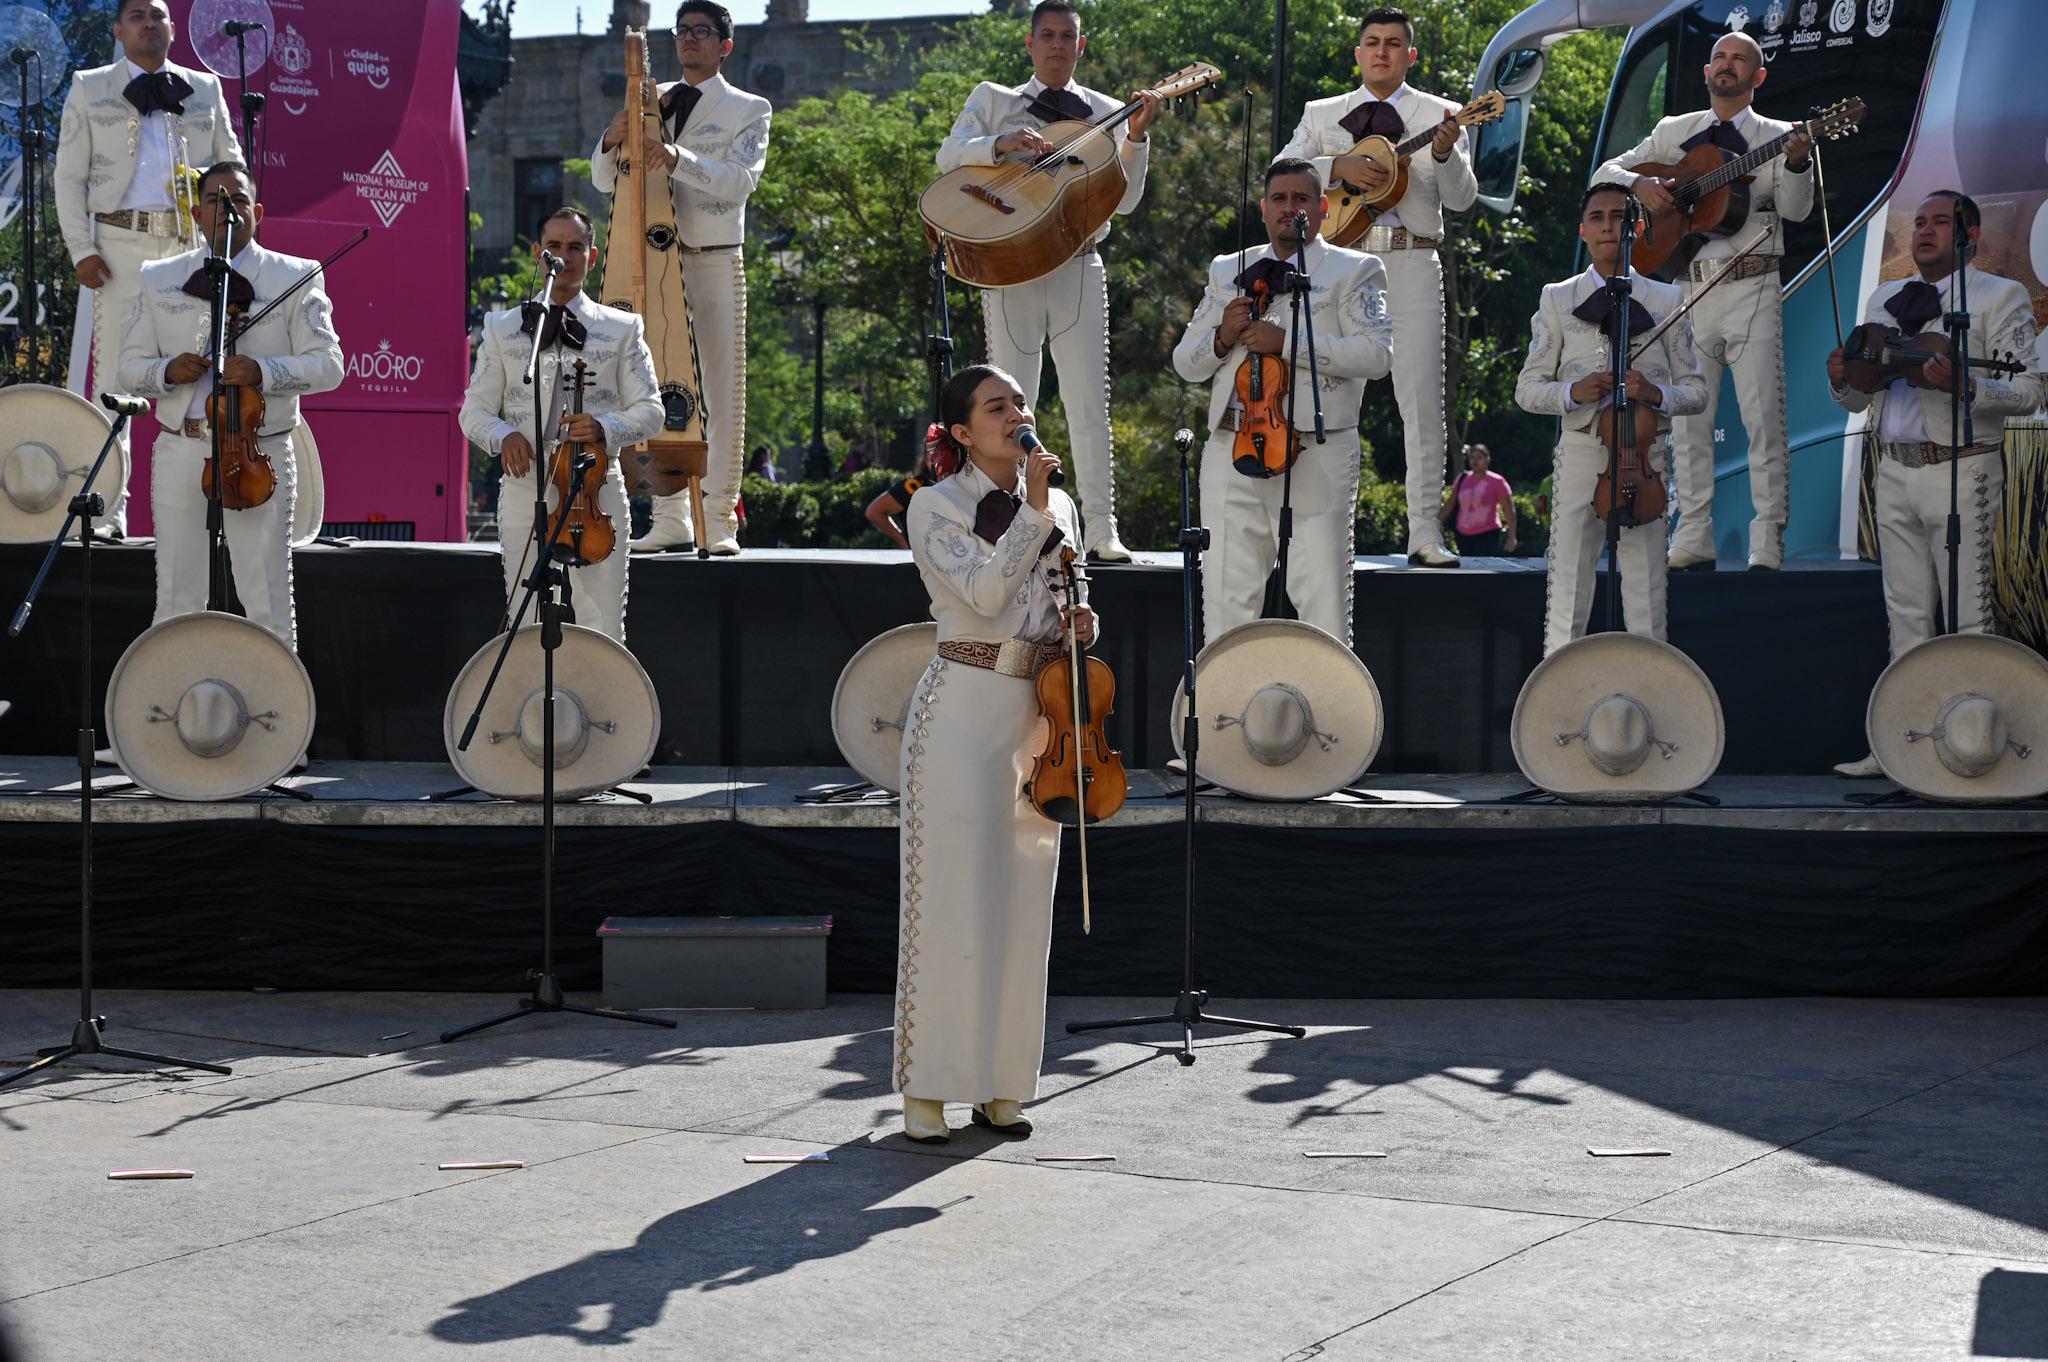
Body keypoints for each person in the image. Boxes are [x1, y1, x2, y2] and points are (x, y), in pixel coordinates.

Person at [893, 363, 1093, 1144]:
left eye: (1021, 402)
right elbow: (982, 595)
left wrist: (1084, 621)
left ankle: (1002, 1085)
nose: (1016, 414)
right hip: (961, 709)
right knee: (950, 901)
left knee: (1021, 902)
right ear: (963, 432)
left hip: (1038, 715)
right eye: (995, 406)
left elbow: (1061, 599)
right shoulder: (934, 504)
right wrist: (1034, 512)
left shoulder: (1060, 505)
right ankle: (929, 1091)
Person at [1827, 192, 2043, 777]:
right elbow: (1858, 399)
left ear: (1970, 234)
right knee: (1905, 616)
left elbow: (2029, 391)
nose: (1924, 230)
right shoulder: (1884, 298)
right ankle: (1902, 746)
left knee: (1969, 614)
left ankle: (1975, 748)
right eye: (1919, 221)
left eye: (1940, 222)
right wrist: (1841, 380)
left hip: (1963, 468)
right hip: (1894, 467)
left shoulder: (2001, 296)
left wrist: (1964, 386)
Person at [936, 0, 1160, 562]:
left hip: (1078, 263)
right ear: (1030, 44)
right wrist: (1000, 145)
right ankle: (1011, 526)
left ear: (1081, 46)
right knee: (1009, 403)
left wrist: (1136, 138)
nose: (1058, 45)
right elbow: (948, 155)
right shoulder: (994, 99)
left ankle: (1102, 530)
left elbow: (1126, 202)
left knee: (1089, 402)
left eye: (1067, 36)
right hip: (1010, 264)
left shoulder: (1107, 110)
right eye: (1048, 35)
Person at [1594, 31, 1813, 572]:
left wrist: (1798, 164)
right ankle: (1692, 534)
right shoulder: (1674, 131)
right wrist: (1638, 187)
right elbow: (1605, 172)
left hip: (1753, 285)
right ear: (1707, 71)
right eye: (1719, 57)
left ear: (1758, 76)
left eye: (1739, 59)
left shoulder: (1780, 135)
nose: (1727, 64)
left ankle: (1768, 538)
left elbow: (1796, 211)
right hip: (1689, 287)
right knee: (1689, 418)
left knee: (1763, 417)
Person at [1276, 5, 1475, 569]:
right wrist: (1336, 166)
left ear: (1410, 55)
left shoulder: (1440, 113)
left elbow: (1462, 199)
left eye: (1392, 43)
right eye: (1372, 41)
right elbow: (1281, 171)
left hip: (1412, 261)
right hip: (1340, 263)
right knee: (1326, 396)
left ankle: (1425, 534)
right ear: (1358, 52)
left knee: (1422, 401)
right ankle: (1316, 534)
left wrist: (1442, 152)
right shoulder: (1323, 112)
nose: (1381, 51)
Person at [1170, 157, 1393, 647]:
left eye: (1301, 198)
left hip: (1315, 449)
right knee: (1224, 603)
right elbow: (1185, 362)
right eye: (1279, 198)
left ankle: (1328, 697)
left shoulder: (1355, 268)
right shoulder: (1228, 268)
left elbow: (1377, 355)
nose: (1289, 207)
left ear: (1323, 208)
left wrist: (1288, 343)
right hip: (1231, 446)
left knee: (1322, 602)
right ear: (1264, 209)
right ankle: (1226, 698)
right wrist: (1222, 338)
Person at [116, 162, 340, 648]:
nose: (228, 209)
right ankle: (177, 694)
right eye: (215, 201)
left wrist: (262, 371)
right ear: (197, 214)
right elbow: (128, 368)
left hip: (258, 451)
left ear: (257, 212)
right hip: (182, 446)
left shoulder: (297, 275)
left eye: (238, 200)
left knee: (267, 601)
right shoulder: (159, 276)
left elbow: (329, 365)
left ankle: (276, 697)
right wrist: (167, 370)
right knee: (176, 599)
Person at [55, 0, 241, 537]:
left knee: (198, 377)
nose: (148, 23)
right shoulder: (90, 86)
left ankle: (206, 511)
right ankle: (107, 513)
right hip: (118, 248)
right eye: (137, 16)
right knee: (117, 378)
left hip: (189, 251)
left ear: (172, 28)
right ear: (119, 30)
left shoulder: (205, 88)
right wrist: (81, 249)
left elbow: (233, 167)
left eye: (157, 15)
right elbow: (68, 177)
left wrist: (227, 242)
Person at [591, 0, 770, 557]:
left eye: (702, 31)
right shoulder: (652, 97)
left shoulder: (749, 107)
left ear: (725, 45)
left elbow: (739, 182)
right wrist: (610, 137)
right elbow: (605, 181)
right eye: (682, 30)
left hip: (714, 255)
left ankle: (718, 517)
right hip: (655, 259)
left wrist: (676, 157)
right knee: (657, 385)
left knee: (721, 390)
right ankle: (670, 515)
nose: (689, 39)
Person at [1514, 184, 1707, 656]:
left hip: (1645, 457)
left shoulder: (1668, 298)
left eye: (1618, 216)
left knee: (1647, 596)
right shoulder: (1557, 297)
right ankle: (1559, 693)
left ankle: (1649, 691)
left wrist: (1655, 393)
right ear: (1583, 231)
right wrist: (1571, 392)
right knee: (1567, 592)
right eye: (1596, 217)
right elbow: (1527, 390)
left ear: (1636, 228)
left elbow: (1697, 392)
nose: (1607, 225)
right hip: (1581, 451)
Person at [459, 207, 665, 643]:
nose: (564, 257)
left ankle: (601, 692)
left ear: (592, 257)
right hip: (525, 487)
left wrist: (603, 426)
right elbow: (472, 411)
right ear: (539, 254)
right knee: (524, 621)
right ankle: (533, 692)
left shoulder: (624, 328)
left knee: (603, 624)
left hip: (596, 490)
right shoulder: (501, 327)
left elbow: (652, 411)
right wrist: (503, 435)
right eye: (554, 246)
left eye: (575, 247)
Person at [1440, 443, 1517, 556]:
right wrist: (1439, 523)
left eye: (1479, 458)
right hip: (1463, 533)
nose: (1475, 461)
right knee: (1466, 563)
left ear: (1487, 460)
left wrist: (1512, 537)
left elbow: (1509, 510)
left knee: (1480, 563)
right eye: (1472, 457)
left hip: (1488, 532)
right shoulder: (1462, 478)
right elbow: (1451, 502)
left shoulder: (1497, 481)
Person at [864, 459, 931, 550]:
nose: (935, 458)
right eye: (931, 452)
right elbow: (873, 512)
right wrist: (903, 541)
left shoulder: (951, 487)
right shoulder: (911, 487)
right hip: (918, 554)